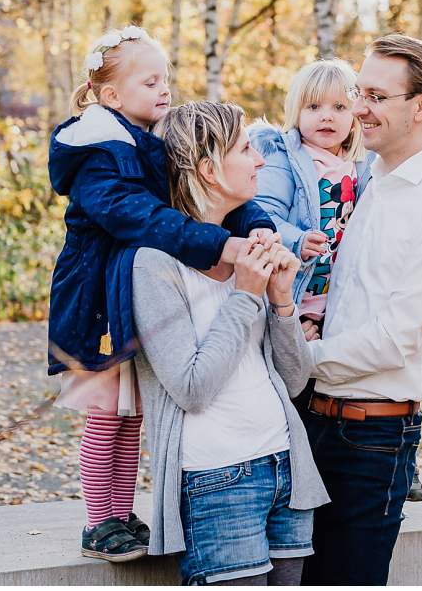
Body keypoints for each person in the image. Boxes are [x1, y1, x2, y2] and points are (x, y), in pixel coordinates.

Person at [46, 27, 277, 563]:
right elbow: (142, 217)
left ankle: (121, 510)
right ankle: (97, 520)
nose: (163, 90)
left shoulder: (150, 144)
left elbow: (207, 190)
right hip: (98, 302)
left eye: (165, 79)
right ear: (110, 96)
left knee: (134, 414)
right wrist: (219, 244)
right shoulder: (98, 157)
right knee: (106, 415)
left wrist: (258, 223)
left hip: (132, 296)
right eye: (149, 81)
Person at [283, 34, 422, 585]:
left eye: (374, 95)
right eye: (358, 92)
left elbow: (397, 338)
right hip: (311, 419)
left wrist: (297, 357)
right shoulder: (367, 183)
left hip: (371, 441)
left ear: (421, 107)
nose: (356, 108)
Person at [128, 101, 330, 585]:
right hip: (216, 480)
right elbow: (192, 387)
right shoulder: (153, 264)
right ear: (208, 169)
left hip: (287, 468)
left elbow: (295, 379)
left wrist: (281, 301)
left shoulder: (248, 245)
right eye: (245, 149)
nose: (260, 159)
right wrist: (245, 295)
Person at [248, 59, 373, 414]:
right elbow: (262, 215)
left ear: (354, 118)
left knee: (318, 397)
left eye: (339, 108)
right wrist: (297, 240)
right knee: (287, 393)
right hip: (291, 297)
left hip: (333, 305)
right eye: (314, 107)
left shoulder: (360, 167)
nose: (327, 117)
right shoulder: (284, 159)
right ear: (296, 112)